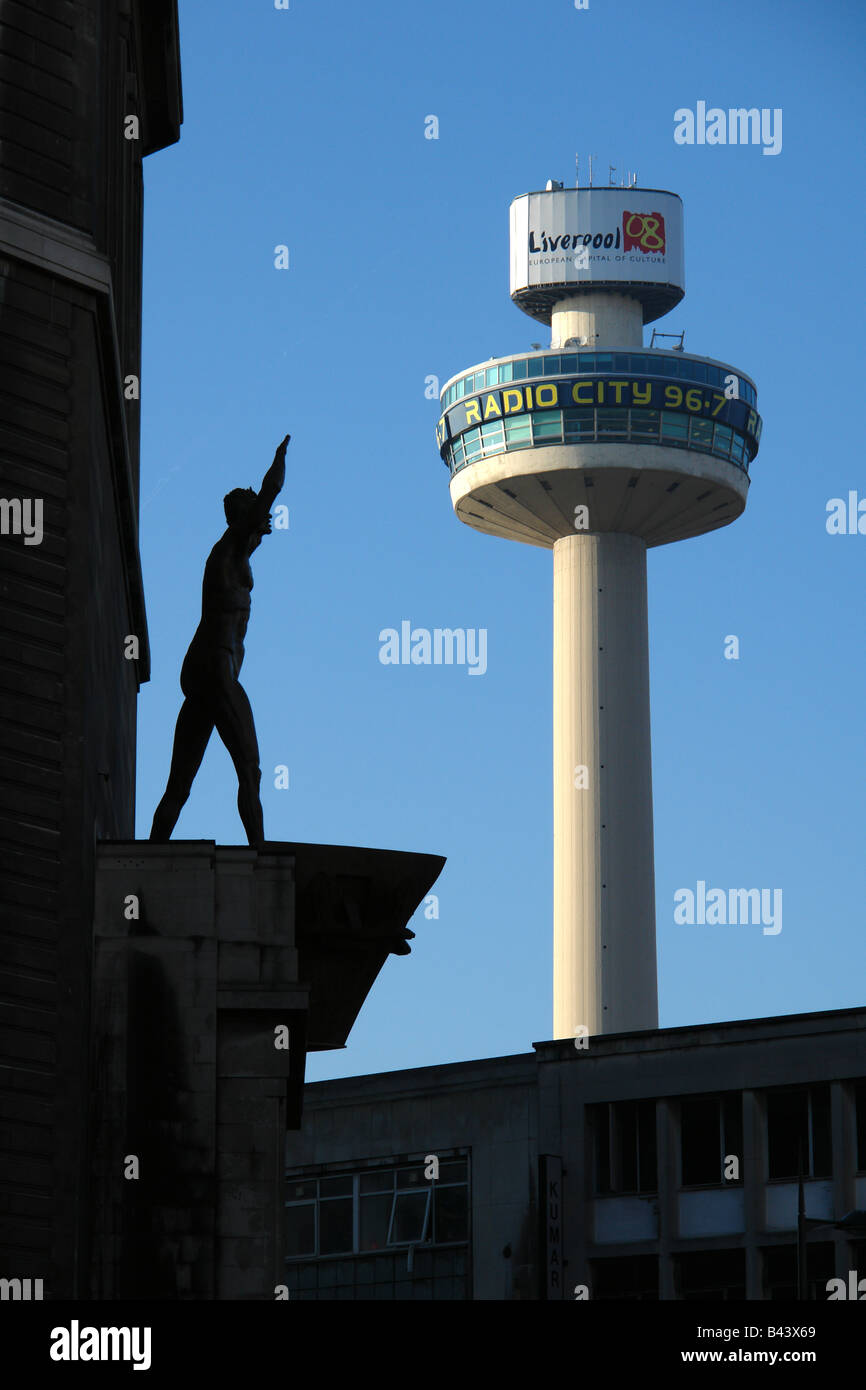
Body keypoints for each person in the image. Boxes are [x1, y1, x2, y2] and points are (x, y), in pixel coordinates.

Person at [149, 434, 290, 848]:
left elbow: (263, 508)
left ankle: (153, 851)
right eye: (253, 509)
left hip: (203, 670)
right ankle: (261, 855)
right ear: (238, 516)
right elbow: (270, 493)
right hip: (215, 666)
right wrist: (279, 460)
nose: (264, 518)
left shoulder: (233, 555)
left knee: (180, 782)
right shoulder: (228, 547)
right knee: (251, 766)